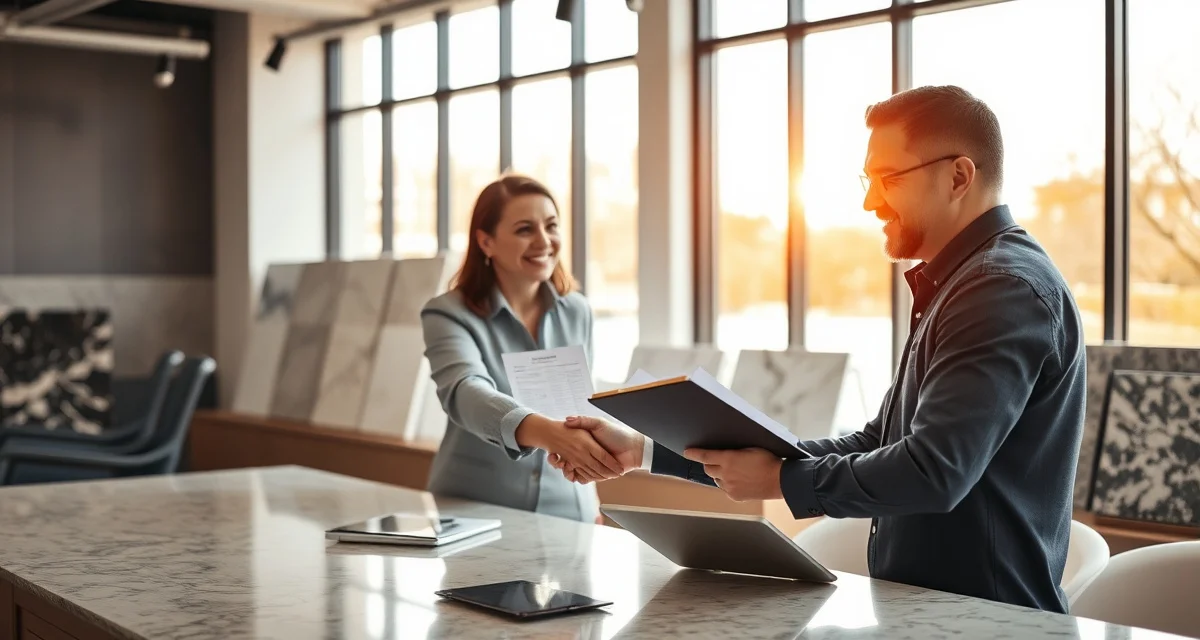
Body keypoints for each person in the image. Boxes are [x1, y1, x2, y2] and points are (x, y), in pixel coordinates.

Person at [552, 85, 1086, 613]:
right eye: (868, 179)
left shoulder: (1000, 290)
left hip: (986, 623)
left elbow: (932, 472)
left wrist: (783, 480)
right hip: (928, 614)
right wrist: (643, 450)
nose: (870, 201)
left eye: (888, 179)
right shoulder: (959, 284)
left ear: (959, 176)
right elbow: (880, 441)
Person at [421, 174, 630, 523]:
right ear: (486, 242)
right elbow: (465, 391)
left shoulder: (577, 310)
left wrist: (590, 499)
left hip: (568, 509)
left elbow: (580, 406)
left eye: (551, 226)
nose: (544, 241)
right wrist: (550, 435)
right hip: (474, 511)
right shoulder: (447, 313)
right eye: (524, 230)